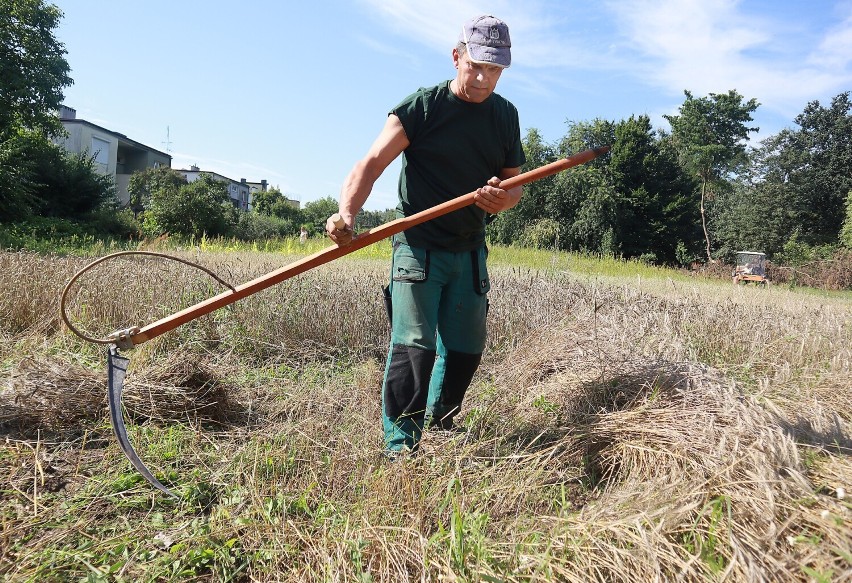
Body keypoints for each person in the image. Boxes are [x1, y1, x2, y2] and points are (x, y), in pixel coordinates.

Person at [326, 15, 525, 455]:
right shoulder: (423, 107)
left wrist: (502, 199)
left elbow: (514, 186)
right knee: (414, 348)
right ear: (457, 57)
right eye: (475, 65)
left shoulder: (505, 116)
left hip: (469, 249)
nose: (482, 77)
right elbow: (370, 164)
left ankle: (443, 418)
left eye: (493, 70)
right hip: (417, 247)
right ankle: (401, 447)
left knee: (465, 350)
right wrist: (347, 213)